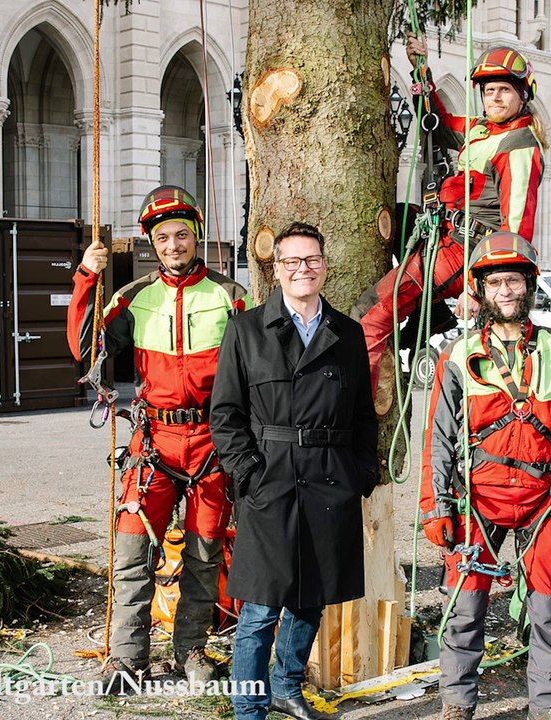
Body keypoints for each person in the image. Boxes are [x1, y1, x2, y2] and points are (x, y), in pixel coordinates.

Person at [419, 232, 551, 720]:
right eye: (495, 282)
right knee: (464, 608)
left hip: (544, 498)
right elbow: (438, 437)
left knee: (548, 609)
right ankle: (457, 705)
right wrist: (435, 507)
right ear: (480, 290)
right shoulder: (457, 355)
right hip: (477, 499)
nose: (505, 290)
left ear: (530, 284)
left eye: (513, 281)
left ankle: (545, 707)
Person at [66, 185, 246, 690]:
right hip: (154, 442)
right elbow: (84, 348)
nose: (173, 245)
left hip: (212, 441)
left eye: (181, 235)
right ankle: (128, 660)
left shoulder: (232, 296)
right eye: (163, 237)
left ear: (197, 236)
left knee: (204, 554)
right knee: (132, 553)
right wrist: (87, 276)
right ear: (152, 243)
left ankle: (191, 651)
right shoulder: (132, 297)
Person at [210, 222, 380, 720]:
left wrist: (360, 473)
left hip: (330, 481)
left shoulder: (348, 333)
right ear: (276, 269)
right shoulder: (246, 330)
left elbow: (363, 414)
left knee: (312, 598)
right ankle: (249, 708)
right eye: (292, 261)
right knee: (260, 609)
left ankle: (287, 686)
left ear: (325, 266)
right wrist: (248, 473)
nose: (302, 269)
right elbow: (225, 414)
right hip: (271, 481)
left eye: (311, 260)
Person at [356, 36, 546, 395]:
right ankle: (431, 313)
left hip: (466, 250)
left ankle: (359, 406)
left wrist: (477, 288)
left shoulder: (518, 147)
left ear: (523, 94)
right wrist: (421, 69)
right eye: (489, 91)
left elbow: (516, 231)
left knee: (372, 312)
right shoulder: (481, 131)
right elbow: (438, 124)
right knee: (399, 217)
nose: (495, 98)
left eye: (504, 90)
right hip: (445, 235)